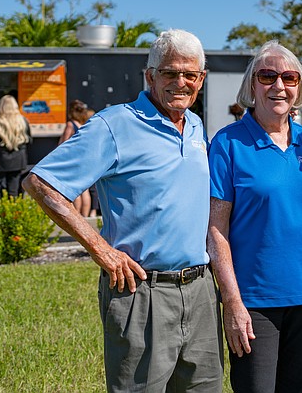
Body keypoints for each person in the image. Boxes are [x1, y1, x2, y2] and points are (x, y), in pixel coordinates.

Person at [22, 29, 223, 392]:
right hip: (142, 293)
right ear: (149, 76)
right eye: (169, 73)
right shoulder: (114, 125)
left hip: (201, 291)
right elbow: (40, 183)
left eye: (190, 75)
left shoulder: (193, 124)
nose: (181, 83)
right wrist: (102, 250)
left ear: (201, 79)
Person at [207, 40, 302, 393]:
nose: (278, 86)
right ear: (252, 85)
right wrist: (232, 302)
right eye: (267, 76)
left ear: (299, 88)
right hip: (255, 303)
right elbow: (216, 231)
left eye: (289, 77)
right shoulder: (228, 143)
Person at [0, 95, 31, 202]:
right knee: (13, 190)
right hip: (17, 160)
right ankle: (13, 215)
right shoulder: (23, 121)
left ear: (1, 107)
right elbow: (29, 140)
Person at [58, 99, 93, 216]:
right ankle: (86, 216)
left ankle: (76, 214)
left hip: (73, 160)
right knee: (85, 190)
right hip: (84, 158)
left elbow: (64, 143)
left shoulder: (70, 124)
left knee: (75, 189)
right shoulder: (84, 123)